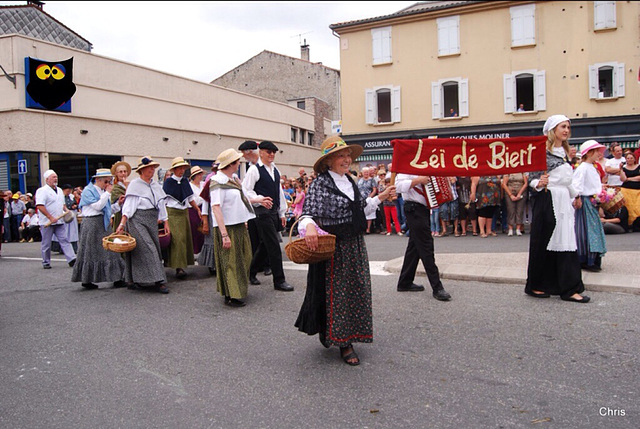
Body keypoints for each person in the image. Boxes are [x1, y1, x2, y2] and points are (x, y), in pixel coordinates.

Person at [295, 135, 395, 366]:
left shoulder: (350, 180)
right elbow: (308, 212)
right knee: (337, 294)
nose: (346, 159)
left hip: (356, 244)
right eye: (341, 155)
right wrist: (309, 226)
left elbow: (359, 208)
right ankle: (343, 342)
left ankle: (347, 332)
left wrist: (380, 197)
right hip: (334, 246)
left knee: (356, 288)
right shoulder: (321, 183)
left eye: (347, 155)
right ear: (329, 160)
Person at [525, 114, 590, 303]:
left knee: (565, 242)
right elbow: (532, 179)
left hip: (562, 201)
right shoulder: (542, 152)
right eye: (563, 127)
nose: (566, 130)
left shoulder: (563, 152)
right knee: (544, 242)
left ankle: (567, 287)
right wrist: (539, 182)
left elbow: (566, 180)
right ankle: (537, 285)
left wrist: (575, 194)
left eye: (568, 127)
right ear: (553, 130)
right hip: (548, 200)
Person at [242, 140, 293, 291]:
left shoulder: (274, 169)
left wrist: (282, 212)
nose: (271, 155)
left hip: (273, 211)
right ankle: (279, 281)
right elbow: (246, 191)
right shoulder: (254, 170)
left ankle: (251, 271)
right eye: (268, 152)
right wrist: (259, 199)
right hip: (261, 212)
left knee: (265, 245)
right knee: (274, 245)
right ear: (261, 152)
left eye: (273, 153)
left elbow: (279, 192)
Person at [207, 149, 256, 307]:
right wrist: (224, 235)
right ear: (230, 164)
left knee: (245, 257)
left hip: (239, 224)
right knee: (231, 261)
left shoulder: (233, 179)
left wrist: (259, 201)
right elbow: (216, 208)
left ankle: (235, 290)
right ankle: (231, 294)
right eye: (236, 162)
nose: (238, 164)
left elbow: (243, 198)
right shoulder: (217, 181)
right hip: (227, 227)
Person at [115, 156, 170, 294]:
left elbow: (161, 205)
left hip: (151, 220)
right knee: (149, 248)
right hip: (137, 219)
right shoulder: (135, 185)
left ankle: (132, 280)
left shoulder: (155, 185)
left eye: (153, 167)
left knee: (149, 249)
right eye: (149, 167)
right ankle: (159, 280)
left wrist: (165, 221)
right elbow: (128, 206)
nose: (152, 170)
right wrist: (122, 223)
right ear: (142, 170)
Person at [394, 172, 452, 300]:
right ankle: (437, 288)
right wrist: (418, 180)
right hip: (413, 209)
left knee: (414, 248)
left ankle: (405, 282)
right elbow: (397, 186)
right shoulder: (406, 169)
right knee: (426, 247)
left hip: (422, 209)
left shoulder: (424, 167)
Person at [71, 169, 126, 289]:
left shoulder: (101, 191)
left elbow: (107, 209)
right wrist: (107, 193)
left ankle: (117, 277)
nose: (108, 184)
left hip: (102, 222)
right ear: (98, 180)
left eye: (109, 181)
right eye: (106, 181)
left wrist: (118, 205)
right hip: (91, 223)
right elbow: (97, 206)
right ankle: (87, 279)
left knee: (110, 249)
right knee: (90, 251)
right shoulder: (88, 191)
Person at [162, 157, 201, 280]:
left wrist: (197, 209)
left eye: (183, 168)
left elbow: (190, 198)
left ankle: (183, 264)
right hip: (173, 213)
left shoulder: (185, 182)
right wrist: (163, 217)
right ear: (174, 170)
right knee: (177, 240)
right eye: (178, 168)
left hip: (184, 213)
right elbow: (164, 200)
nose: (181, 171)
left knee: (184, 239)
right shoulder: (168, 182)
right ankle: (177, 266)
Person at [572, 140, 607, 272]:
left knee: (593, 230)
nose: (599, 153)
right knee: (587, 231)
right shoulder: (582, 168)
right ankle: (586, 259)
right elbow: (577, 184)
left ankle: (593, 258)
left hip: (592, 201)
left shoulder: (593, 167)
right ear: (590, 152)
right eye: (597, 151)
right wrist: (578, 197)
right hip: (585, 201)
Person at [239, 140, 271, 277]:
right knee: (255, 238)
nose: (244, 158)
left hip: (264, 208)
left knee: (266, 239)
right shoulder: (252, 167)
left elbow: (246, 191)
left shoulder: (258, 168)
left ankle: (266, 265)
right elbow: (246, 191)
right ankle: (257, 265)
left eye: (244, 155)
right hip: (254, 208)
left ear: (250, 152)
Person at [35, 170, 76, 269]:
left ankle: (72, 259)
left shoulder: (60, 190)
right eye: (53, 177)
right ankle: (46, 261)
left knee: (64, 240)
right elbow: (40, 206)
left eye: (56, 177)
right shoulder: (42, 190)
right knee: (46, 243)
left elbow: (62, 205)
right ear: (47, 179)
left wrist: (67, 211)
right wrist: (50, 217)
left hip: (59, 220)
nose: (55, 179)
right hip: (47, 222)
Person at [619, 150, 640, 231]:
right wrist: (620, 169)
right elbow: (623, 179)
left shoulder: (638, 167)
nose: (630, 160)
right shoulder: (624, 168)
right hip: (626, 190)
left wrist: (629, 179)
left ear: (634, 159)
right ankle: (630, 224)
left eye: (631, 158)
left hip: (638, 191)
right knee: (629, 208)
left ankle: (637, 224)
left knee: (637, 208)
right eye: (628, 158)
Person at [110, 160, 131, 233]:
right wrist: (127, 187)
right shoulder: (115, 188)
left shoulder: (132, 184)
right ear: (116, 173)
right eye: (121, 172)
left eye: (125, 171)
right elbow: (126, 201)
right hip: (120, 216)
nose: (123, 174)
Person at [188, 165, 205, 255]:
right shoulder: (190, 186)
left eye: (201, 174)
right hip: (193, 209)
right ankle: (195, 250)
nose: (200, 176)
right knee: (195, 229)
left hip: (203, 207)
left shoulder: (203, 184)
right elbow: (192, 199)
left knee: (204, 229)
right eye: (199, 174)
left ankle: (202, 249)